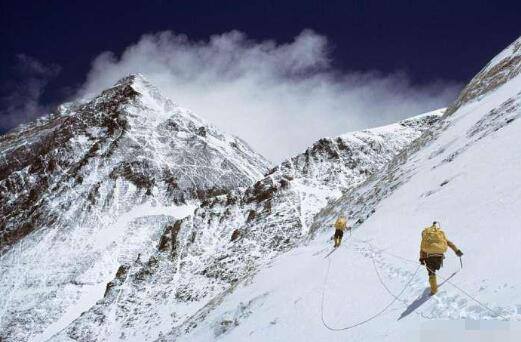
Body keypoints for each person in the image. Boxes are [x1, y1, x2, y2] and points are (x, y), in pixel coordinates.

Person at [419, 221, 463, 295]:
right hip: (439, 256)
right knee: (435, 268)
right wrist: (457, 251)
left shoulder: (426, 235)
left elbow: (422, 249)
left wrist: (421, 259)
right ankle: (434, 287)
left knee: (431, 272)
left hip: (429, 257)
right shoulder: (440, 234)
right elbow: (449, 243)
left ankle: (434, 290)